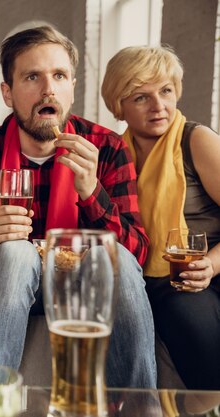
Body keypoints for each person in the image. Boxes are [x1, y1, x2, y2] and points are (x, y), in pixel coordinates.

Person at [0, 26, 156, 388]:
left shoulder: (105, 149)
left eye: (59, 76)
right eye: (32, 77)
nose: (49, 89)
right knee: (15, 253)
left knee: (117, 256)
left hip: (83, 285)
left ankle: (140, 410)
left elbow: (137, 255)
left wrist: (91, 192)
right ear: (8, 93)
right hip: (10, 283)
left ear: (72, 86)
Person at [102, 45, 220, 389]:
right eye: (141, 97)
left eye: (166, 91)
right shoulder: (111, 153)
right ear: (119, 106)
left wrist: (210, 266)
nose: (159, 106)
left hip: (206, 272)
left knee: (187, 317)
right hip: (147, 276)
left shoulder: (197, 140)